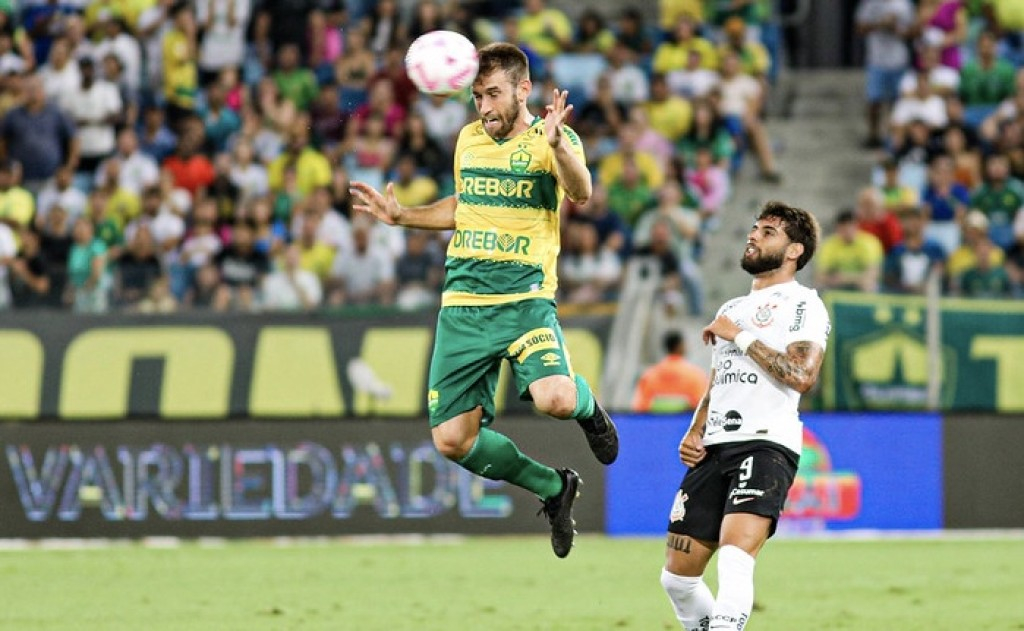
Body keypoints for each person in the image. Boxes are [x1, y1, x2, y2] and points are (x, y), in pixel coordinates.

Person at [350, 42, 619, 559]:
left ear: (523, 90)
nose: (485, 108)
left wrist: (560, 145)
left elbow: (580, 191)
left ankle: (590, 409)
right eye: (476, 97)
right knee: (452, 440)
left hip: (524, 302)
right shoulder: (469, 140)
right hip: (463, 306)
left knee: (555, 400)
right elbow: (465, 205)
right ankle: (553, 488)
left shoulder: (550, 140)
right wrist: (402, 215)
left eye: (494, 94)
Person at [660, 201, 830, 631]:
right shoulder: (732, 307)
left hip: (766, 442)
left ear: (794, 251)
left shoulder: (803, 304)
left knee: (735, 561)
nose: (753, 235)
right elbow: (721, 377)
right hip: (715, 447)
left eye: (768, 231)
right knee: (677, 579)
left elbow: (801, 375)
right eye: (754, 228)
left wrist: (740, 334)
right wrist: (696, 429)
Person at [632, 331, 709, 413]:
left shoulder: (648, 376)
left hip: (655, 423)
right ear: (681, 346)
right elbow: (703, 407)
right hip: (686, 424)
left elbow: (639, 407)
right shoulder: (696, 376)